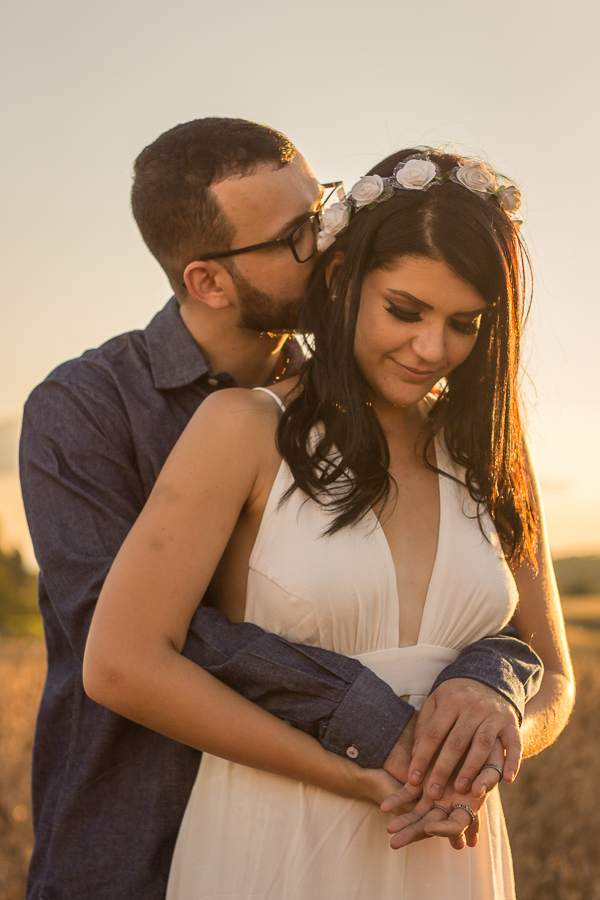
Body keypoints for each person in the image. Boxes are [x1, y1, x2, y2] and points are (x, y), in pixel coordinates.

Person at [20, 120, 543, 900]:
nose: (333, 237)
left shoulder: (384, 403)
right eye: (300, 235)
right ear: (208, 281)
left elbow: (516, 635)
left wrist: (493, 675)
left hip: (413, 830)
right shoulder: (88, 410)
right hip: (142, 827)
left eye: (325, 206)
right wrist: (377, 721)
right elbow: (140, 641)